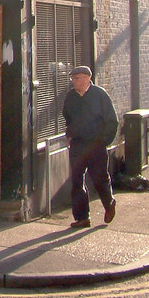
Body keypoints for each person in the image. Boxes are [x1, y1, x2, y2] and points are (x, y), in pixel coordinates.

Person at [62, 65, 119, 228]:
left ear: (87, 78)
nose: (74, 81)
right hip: (78, 144)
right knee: (76, 181)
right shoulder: (71, 97)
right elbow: (67, 117)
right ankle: (82, 217)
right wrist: (70, 135)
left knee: (99, 179)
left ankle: (109, 204)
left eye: (77, 78)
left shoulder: (99, 95)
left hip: (96, 145)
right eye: (72, 78)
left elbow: (111, 121)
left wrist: (104, 141)